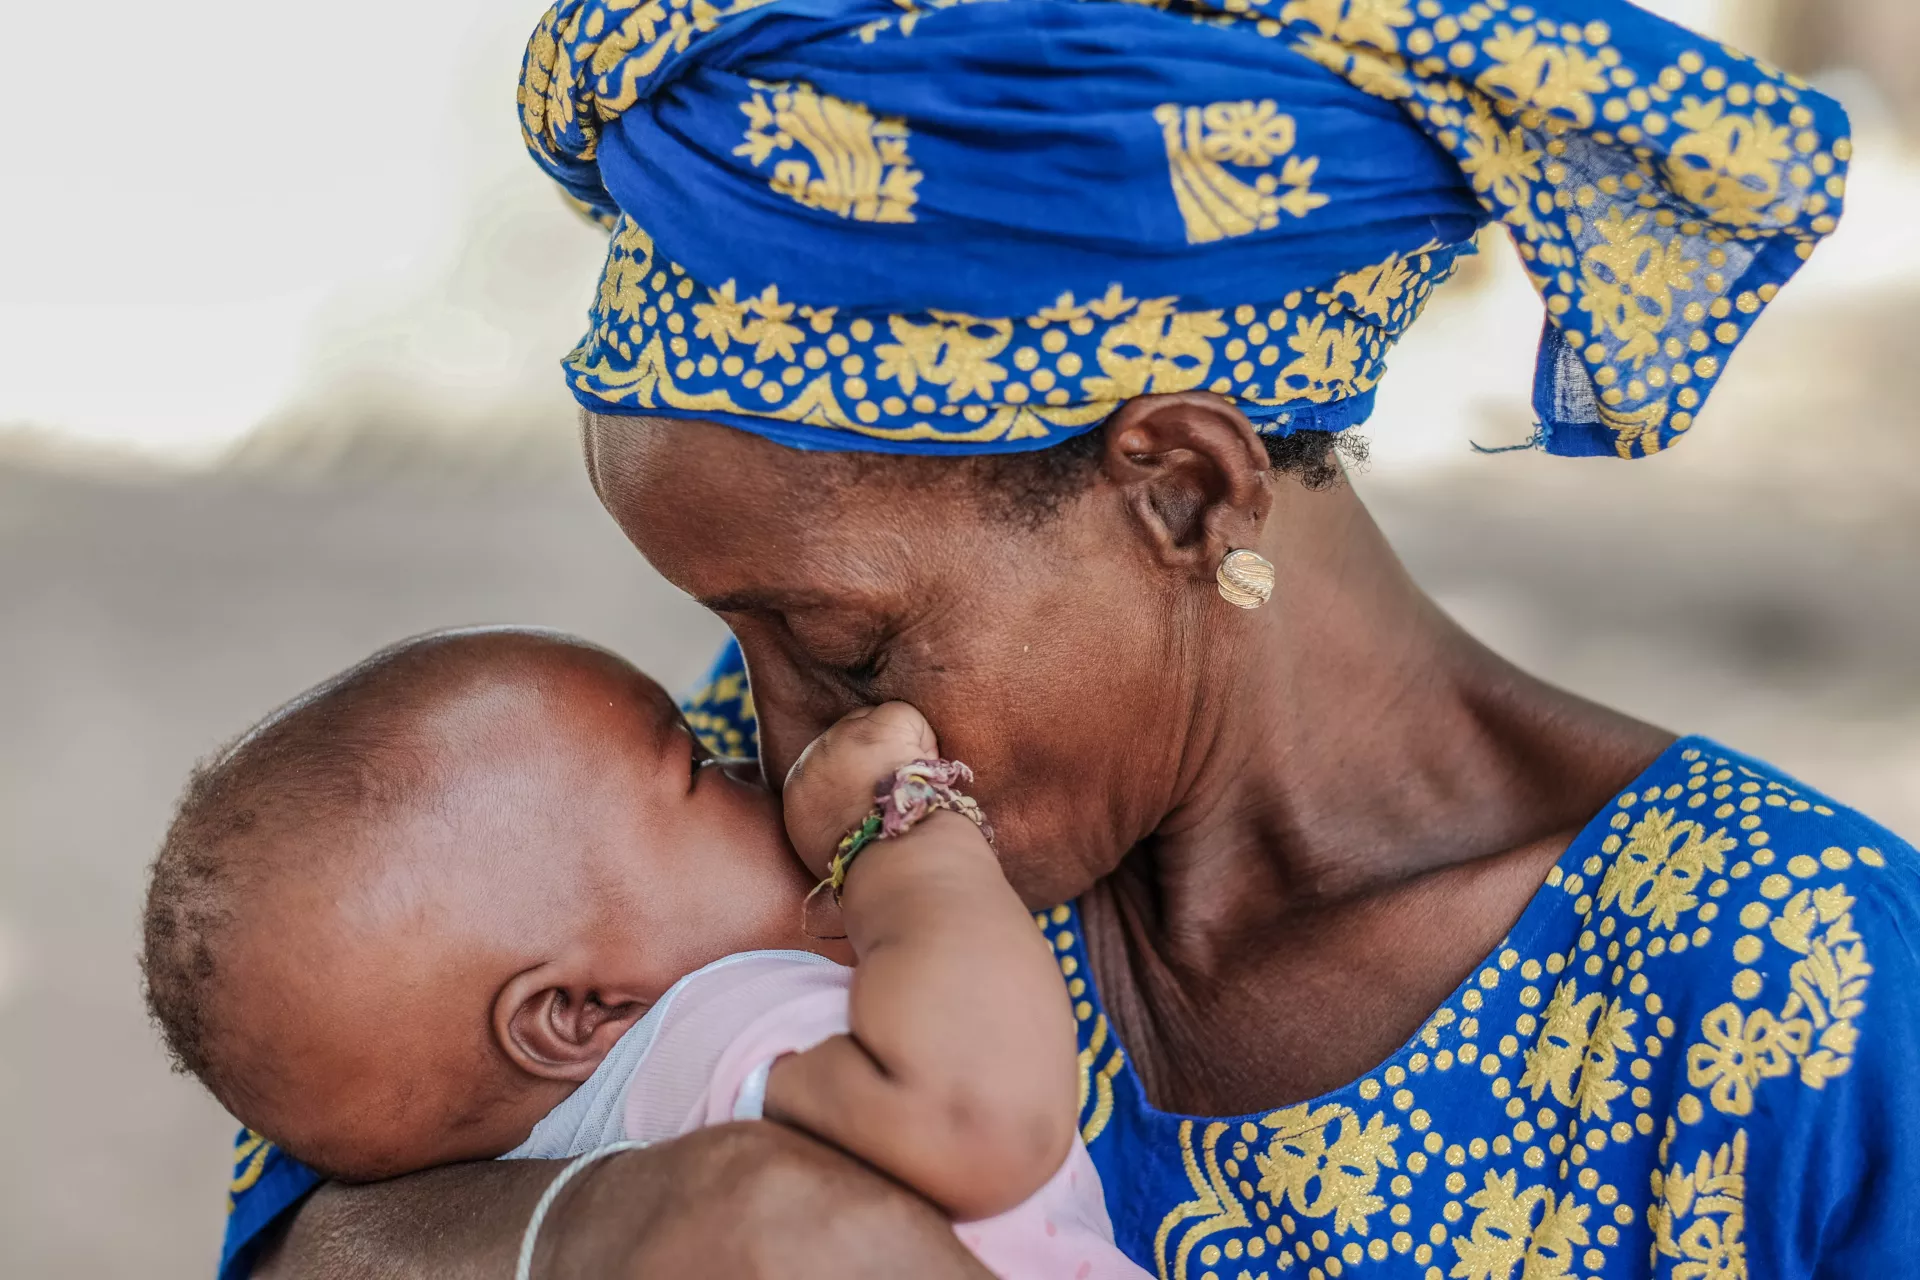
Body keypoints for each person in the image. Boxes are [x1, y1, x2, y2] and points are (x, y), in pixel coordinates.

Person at [225, 0, 1920, 1275]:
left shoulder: (1793, 986)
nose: (772, 723)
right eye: (732, 634)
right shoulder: (754, 827)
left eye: (841, 639)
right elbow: (323, 1184)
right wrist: (622, 1227)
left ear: (1183, 491)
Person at [142, 629, 1144, 1278]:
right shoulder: (720, 1037)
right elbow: (973, 1115)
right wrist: (903, 829)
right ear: (576, 1010)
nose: (761, 753)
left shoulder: (567, 1130)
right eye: (703, 771)